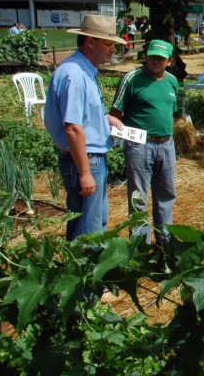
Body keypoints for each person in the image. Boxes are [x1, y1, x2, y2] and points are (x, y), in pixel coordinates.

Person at [43, 15, 126, 241]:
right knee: (85, 231)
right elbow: (72, 128)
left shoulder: (81, 70)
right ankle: (82, 273)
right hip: (84, 160)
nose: (112, 50)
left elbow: (80, 116)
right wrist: (86, 172)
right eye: (108, 44)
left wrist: (105, 119)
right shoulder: (75, 75)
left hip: (91, 158)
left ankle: (91, 272)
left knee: (95, 224)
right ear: (90, 42)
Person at [109, 40, 180, 246]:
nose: (155, 61)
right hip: (140, 145)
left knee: (166, 194)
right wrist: (128, 137)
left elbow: (169, 110)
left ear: (169, 61)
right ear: (146, 57)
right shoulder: (132, 79)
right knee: (138, 197)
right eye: (152, 57)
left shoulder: (172, 82)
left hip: (166, 144)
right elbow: (115, 114)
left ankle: (165, 243)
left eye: (161, 58)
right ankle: (140, 246)